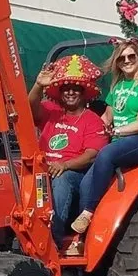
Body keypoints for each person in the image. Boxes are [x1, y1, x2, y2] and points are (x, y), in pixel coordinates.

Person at [69, 38, 138, 252]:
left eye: (131, 56)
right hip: (119, 139)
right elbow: (107, 116)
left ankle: (89, 212)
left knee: (107, 154)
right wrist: (88, 128)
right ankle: (81, 239)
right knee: (85, 183)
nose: (127, 61)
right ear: (117, 63)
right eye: (121, 58)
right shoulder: (118, 86)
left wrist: (116, 132)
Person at [28, 54, 107, 244]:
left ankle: (52, 239)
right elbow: (29, 109)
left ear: (84, 92)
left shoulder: (92, 121)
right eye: (66, 89)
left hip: (74, 173)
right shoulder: (51, 111)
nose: (70, 93)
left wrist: (64, 164)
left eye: (75, 89)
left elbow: (91, 155)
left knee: (62, 180)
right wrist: (38, 85)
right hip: (43, 169)